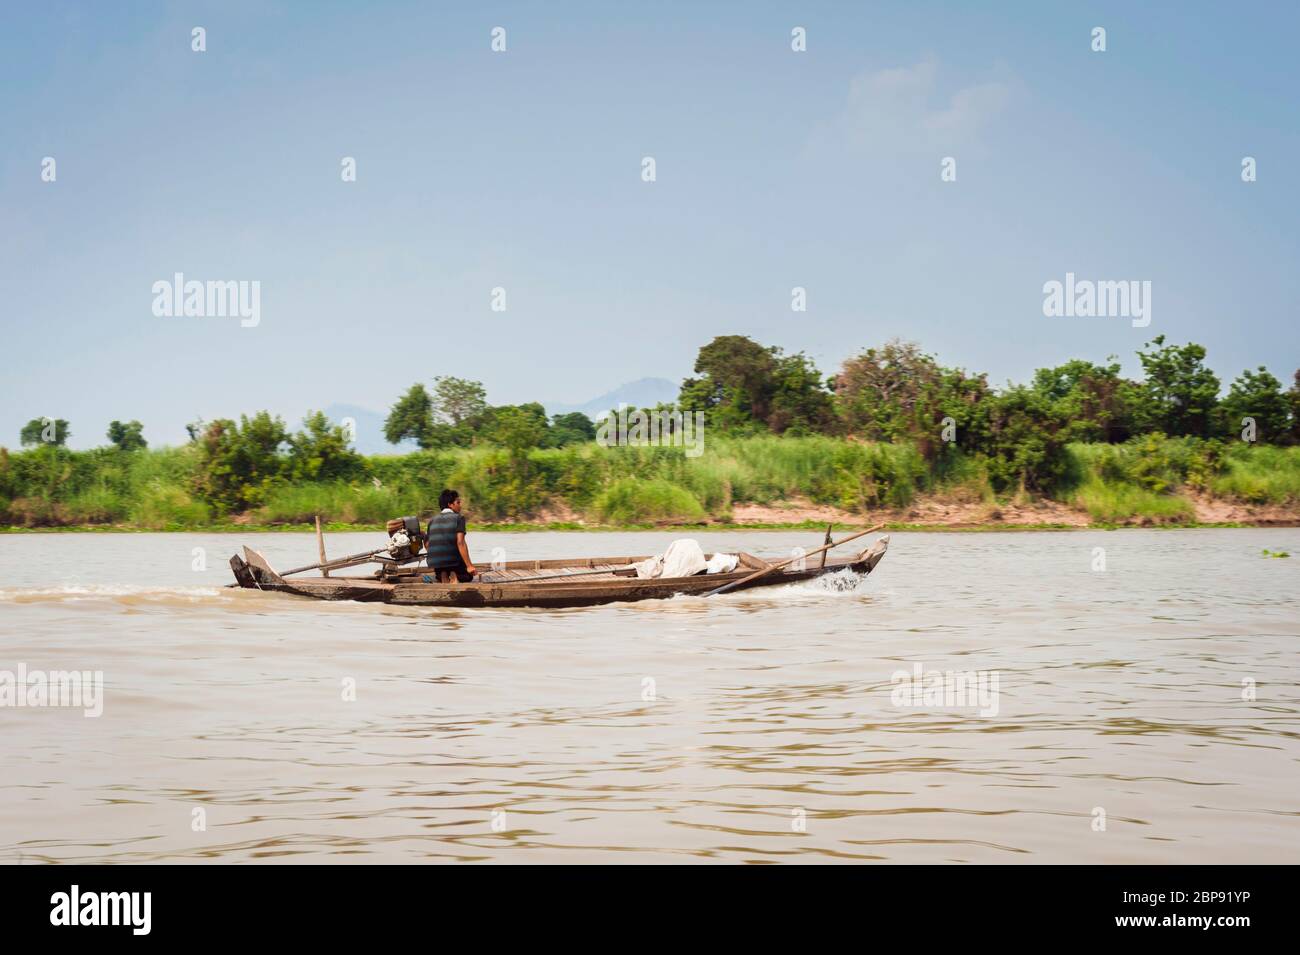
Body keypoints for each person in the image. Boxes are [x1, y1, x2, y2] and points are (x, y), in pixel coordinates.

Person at [425, 489, 477, 582]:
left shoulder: (431, 521)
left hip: (436, 564)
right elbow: (460, 542)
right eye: (458, 502)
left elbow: (428, 544)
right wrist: (469, 566)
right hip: (453, 562)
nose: (460, 506)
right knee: (468, 576)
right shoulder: (459, 518)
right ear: (450, 504)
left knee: (440, 573)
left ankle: (443, 574)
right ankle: (454, 574)